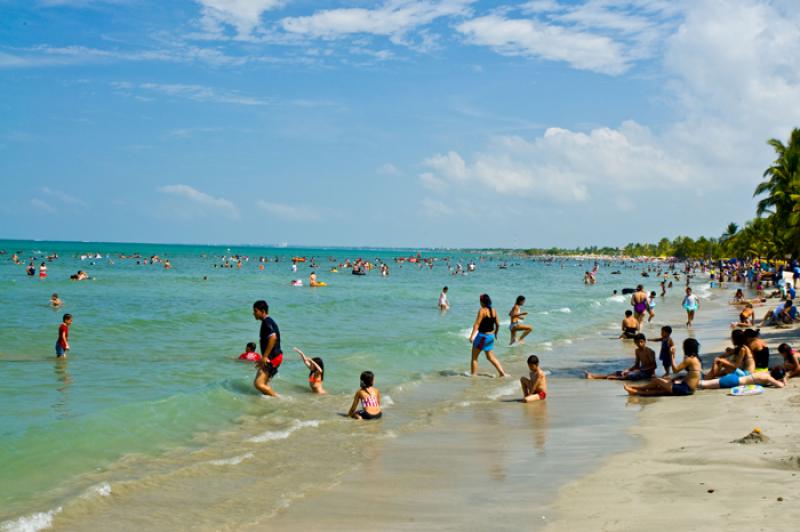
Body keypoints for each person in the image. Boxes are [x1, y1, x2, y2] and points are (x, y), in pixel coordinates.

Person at [623, 338, 703, 396]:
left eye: (683, 346)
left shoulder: (690, 359)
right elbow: (692, 375)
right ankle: (636, 391)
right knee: (661, 390)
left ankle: (638, 389)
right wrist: (676, 379)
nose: (682, 347)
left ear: (687, 347)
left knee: (657, 381)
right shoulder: (696, 359)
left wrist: (671, 355)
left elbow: (675, 370)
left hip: (684, 388)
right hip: (689, 390)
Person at [585, 333, 656, 380]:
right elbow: (636, 365)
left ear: (644, 341)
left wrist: (640, 370)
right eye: (636, 342)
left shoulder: (650, 351)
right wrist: (627, 370)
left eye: (640, 342)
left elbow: (653, 366)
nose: (638, 344)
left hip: (648, 374)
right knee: (618, 372)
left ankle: (616, 378)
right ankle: (593, 376)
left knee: (629, 375)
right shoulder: (637, 351)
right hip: (640, 371)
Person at [468, 294, 506, 377]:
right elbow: (498, 324)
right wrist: (495, 333)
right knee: (490, 357)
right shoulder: (494, 310)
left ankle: (473, 376)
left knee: (474, 358)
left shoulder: (482, 310)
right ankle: (502, 373)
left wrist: (472, 336)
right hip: (490, 337)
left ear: (482, 302)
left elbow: (477, 324)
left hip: (482, 337)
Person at [252, 300, 283, 397]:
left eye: (256, 311)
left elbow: (273, 338)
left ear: (263, 311)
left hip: (273, 357)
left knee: (258, 384)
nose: (254, 313)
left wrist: (264, 357)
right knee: (261, 383)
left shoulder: (267, 322)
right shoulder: (267, 321)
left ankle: (279, 399)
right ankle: (268, 401)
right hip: (274, 356)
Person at [698, 367, 786, 389]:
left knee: (704, 384)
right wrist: (783, 379)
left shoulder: (765, 373)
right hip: (734, 381)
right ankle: (688, 382)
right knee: (703, 384)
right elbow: (780, 385)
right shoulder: (768, 378)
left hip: (735, 378)